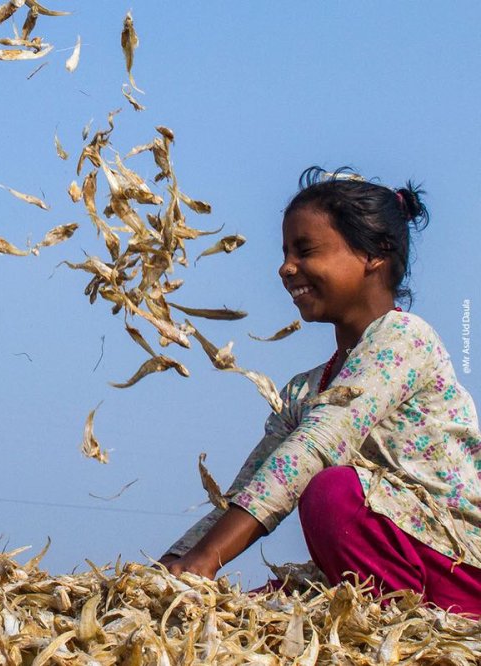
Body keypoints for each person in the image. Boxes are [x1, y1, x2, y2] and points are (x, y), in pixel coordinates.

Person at [159, 167, 481, 615]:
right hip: (396, 563)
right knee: (259, 610)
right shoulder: (306, 389)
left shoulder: (405, 339)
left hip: (460, 567)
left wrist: (209, 559)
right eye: (286, 252)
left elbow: (316, 446)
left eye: (305, 250)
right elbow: (253, 487)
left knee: (333, 493)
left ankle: (405, 622)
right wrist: (169, 568)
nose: (286, 267)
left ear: (374, 255)